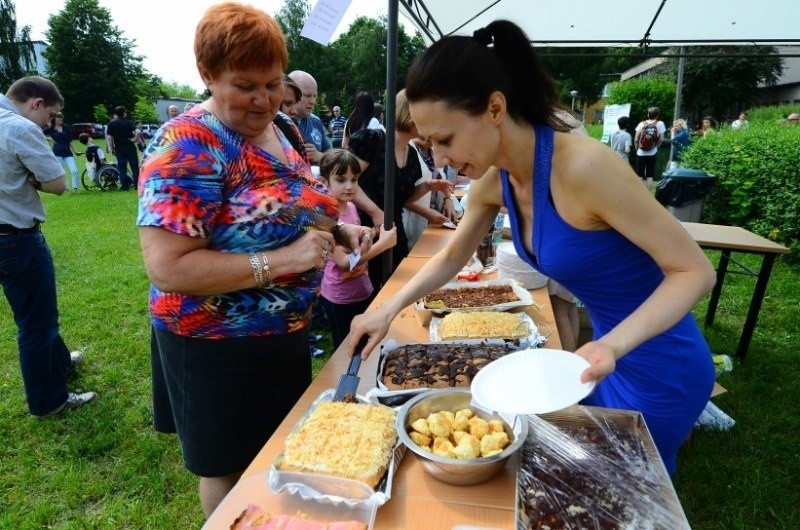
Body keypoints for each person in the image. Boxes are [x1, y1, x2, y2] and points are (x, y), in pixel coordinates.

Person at [347, 20, 716, 476]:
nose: (439, 158)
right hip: (602, 358)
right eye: (430, 144)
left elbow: (694, 271)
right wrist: (389, 309)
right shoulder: (492, 179)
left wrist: (613, 345)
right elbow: (451, 256)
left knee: (629, 493)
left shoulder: (585, 167)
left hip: (660, 364)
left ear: (495, 108)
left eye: (446, 140)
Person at [136, 3, 371, 517]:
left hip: (282, 332)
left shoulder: (280, 126)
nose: (263, 99)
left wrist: (338, 226)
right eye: (246, 85)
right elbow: (169, 267)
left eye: (273, 83)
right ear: (207, 74)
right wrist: (286, 259)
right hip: (215, 342)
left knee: (274, 455)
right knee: (230, 469)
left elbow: (292, 198)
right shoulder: (187, 146)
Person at [0, 76, 96, 417]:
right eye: (50, 116)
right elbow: (58, 184)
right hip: (15, 236)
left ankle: (59, 362)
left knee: (32, 313)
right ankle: (49, 401)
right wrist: (36, 177)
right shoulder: (18, 128)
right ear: (36, 103)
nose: (49, 125)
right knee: (37, 323)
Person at [318, 149, 397, 349]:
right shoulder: (325, 217)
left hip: (363, 288)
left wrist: (371, 234)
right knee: (347, 349)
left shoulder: (351, 207)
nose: (349, 186)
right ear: (324, 182)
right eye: (341, 179)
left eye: (354, 180)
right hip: (340, 298)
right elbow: (345, 262)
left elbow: (356, 249)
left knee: (366, 343)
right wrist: (383, 245)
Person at [287, 70, 331, 164]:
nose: (312, 101)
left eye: (315, 96)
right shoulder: (274, 122)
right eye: (307, 95)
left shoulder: (316, 121)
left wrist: (320, 156)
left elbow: (332, 155)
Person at [43, 111, 79, 192]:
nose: (60, 119)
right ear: (54, 119)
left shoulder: (66, 127)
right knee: (62, 172)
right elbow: (39, 133)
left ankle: (75, 188)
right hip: (57, 153)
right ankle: (66, 188)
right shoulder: (50, 128)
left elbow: (70, 140)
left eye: (61, 117)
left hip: (68, 152)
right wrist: (50, 139)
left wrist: (75, 151)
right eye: (58, 117)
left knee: (74, 170)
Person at [106, 105, 138, 190]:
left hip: (119, 149)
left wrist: (111, 148)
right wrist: (134, 139)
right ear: (124, 113)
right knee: (134, 168)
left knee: (122, 168)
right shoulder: (129, 122)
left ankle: (125, 186)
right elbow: (137, 131)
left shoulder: (111, 123)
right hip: (130, 147)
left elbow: (109, 137)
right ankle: (136, 185)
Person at [634, 107, 666, 190]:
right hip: (652, 152)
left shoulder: (642, 123)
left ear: (648, 114)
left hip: (641, 152)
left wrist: (637, 149)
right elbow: (662, 139)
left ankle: (638, 192)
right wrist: (656, 147)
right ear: (657, 115)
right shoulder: (660, 123)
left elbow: (636, 139)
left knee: (639, 175)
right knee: (650, 175)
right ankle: (648, 195)